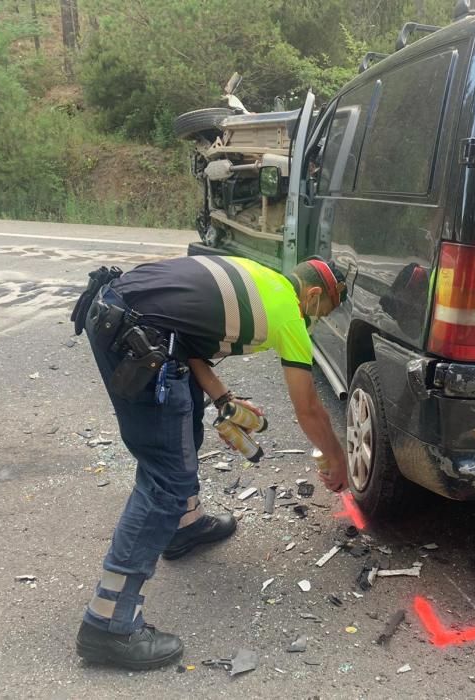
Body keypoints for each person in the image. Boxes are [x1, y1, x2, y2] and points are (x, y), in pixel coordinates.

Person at [69, 253, 348, 670]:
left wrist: (223, 399)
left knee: (185, 418)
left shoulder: (263, 279)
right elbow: (308, 408)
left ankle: (185, 526)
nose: (319, 320)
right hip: (135, 332)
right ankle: (108, 625)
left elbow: (186, 337)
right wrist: (336, 458)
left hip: (124, 314)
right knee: (166, 479)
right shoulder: (289, 315)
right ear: (312, 295)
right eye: (325, 310)